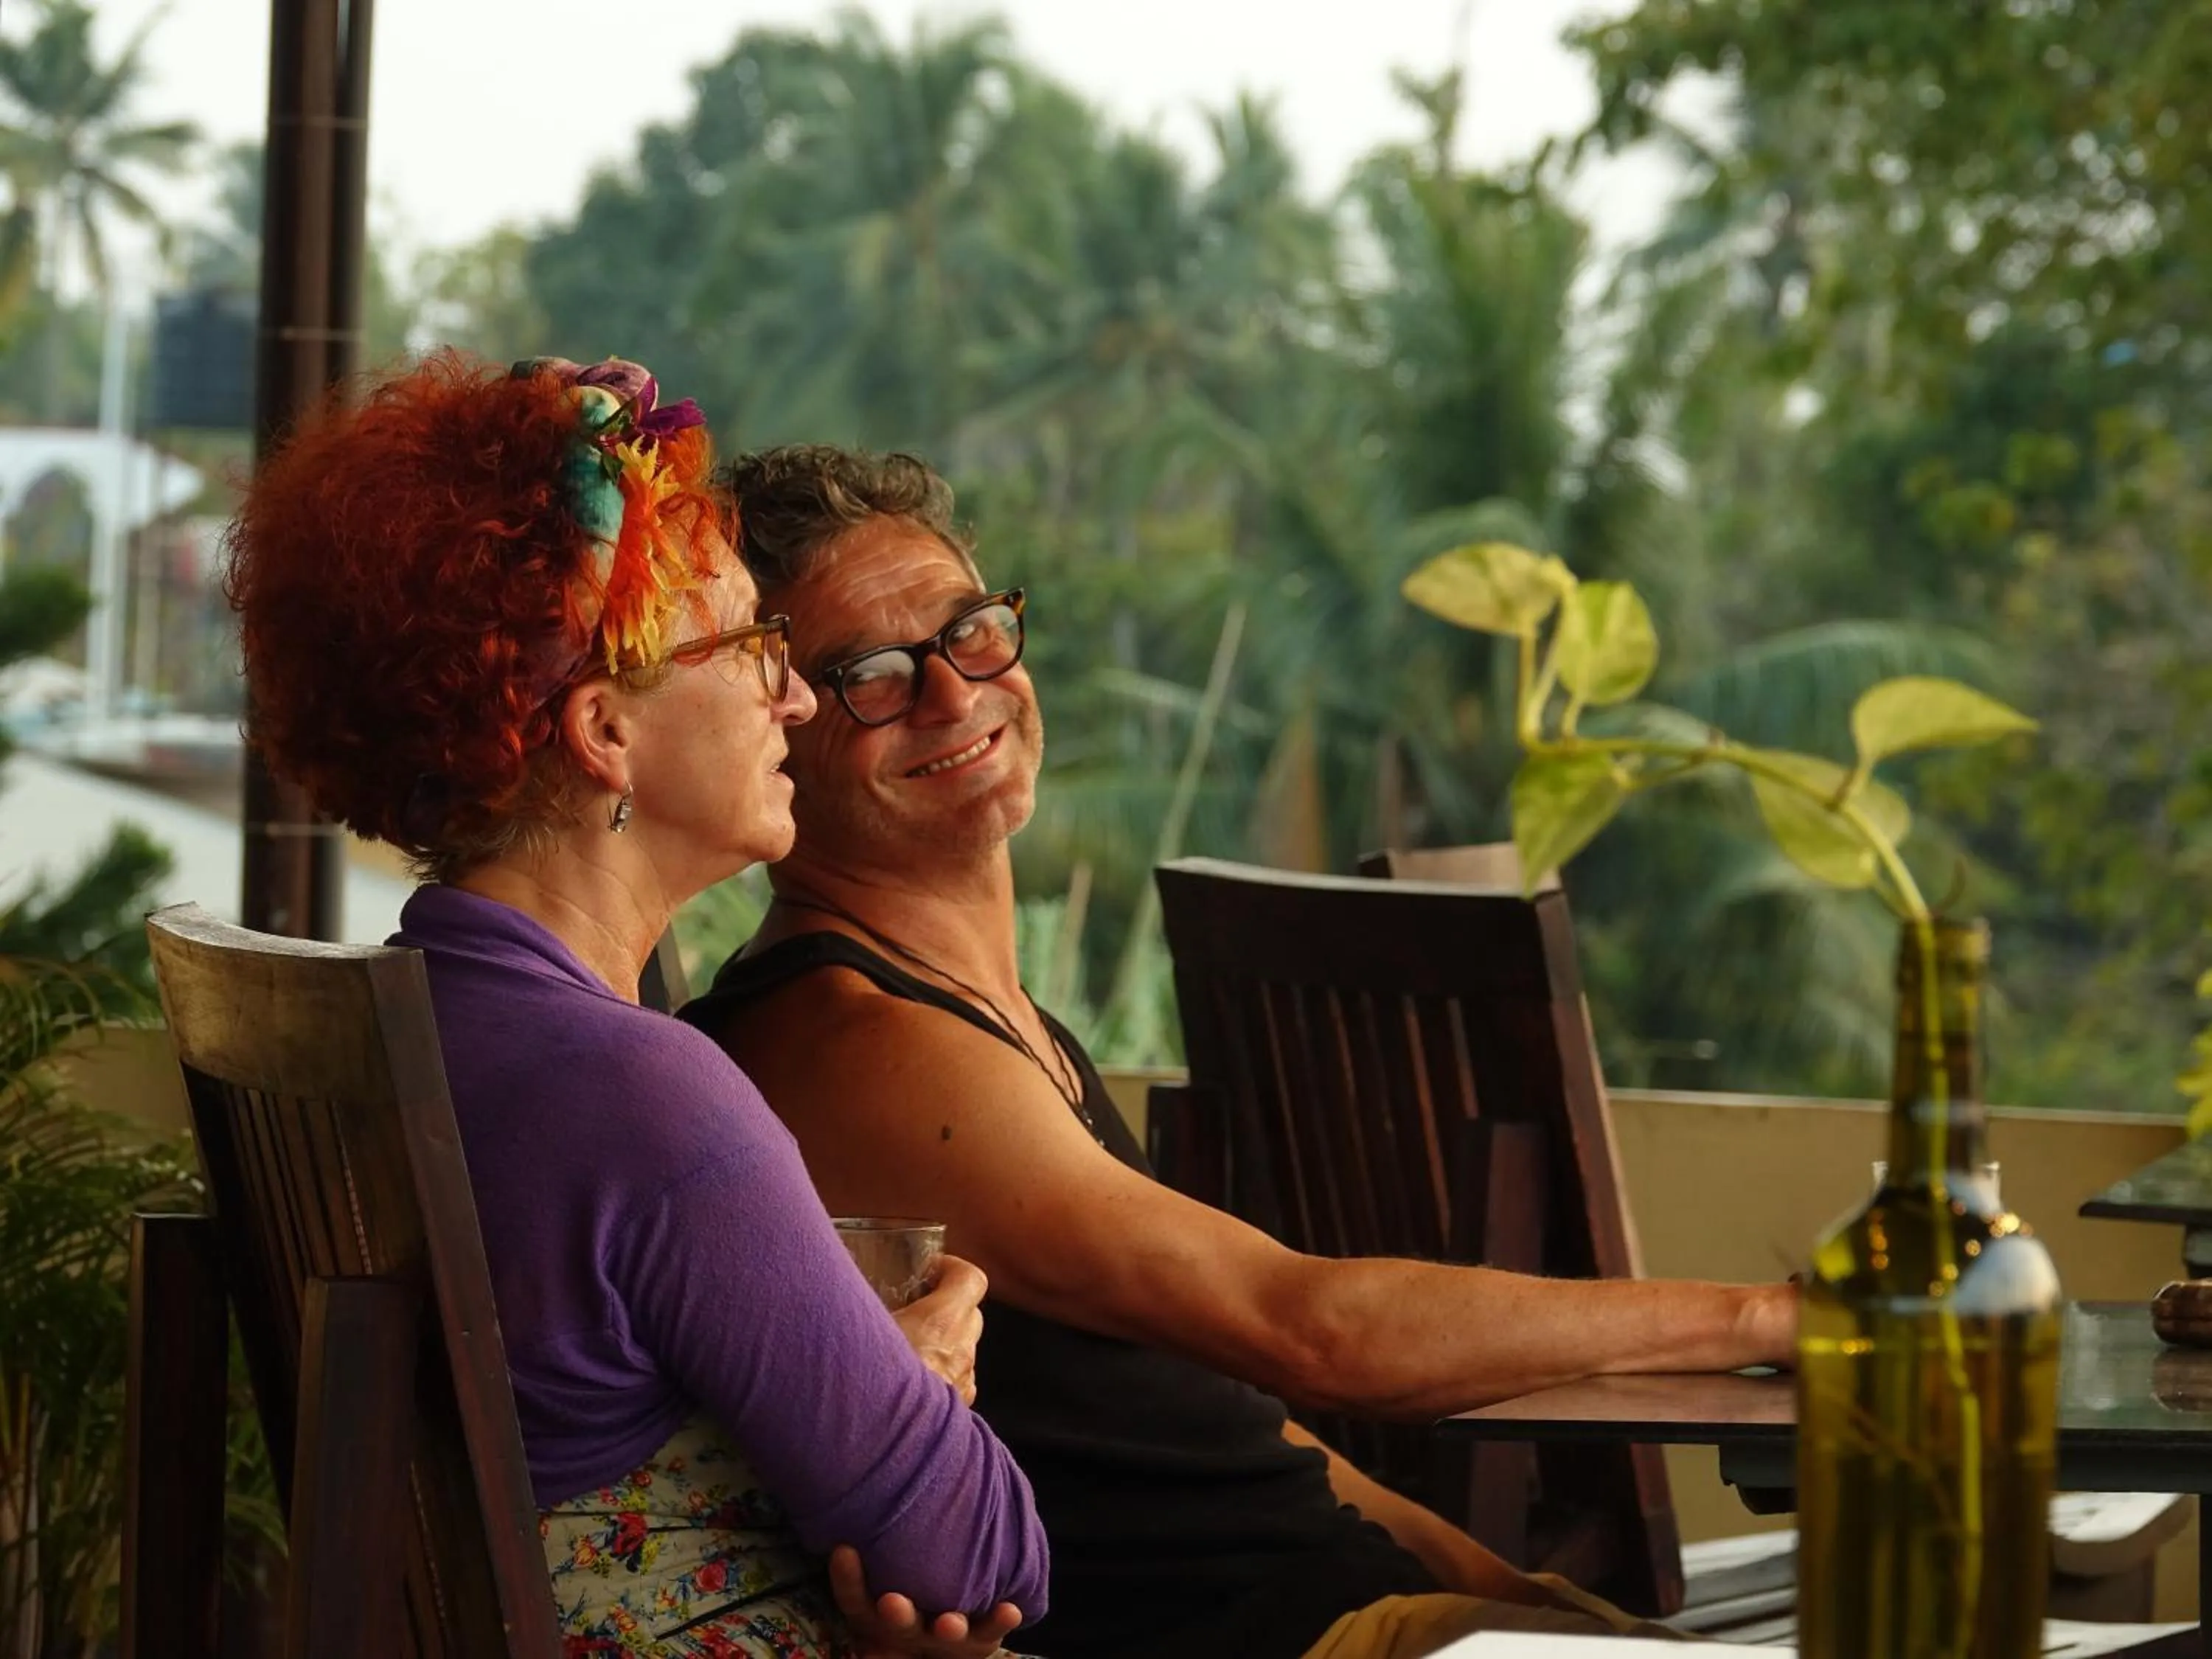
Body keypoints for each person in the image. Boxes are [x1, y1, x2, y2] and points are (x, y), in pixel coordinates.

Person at [678, 444, 1801, 1659]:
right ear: (781, 718)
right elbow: (1309, 1330)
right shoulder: (855, 1042)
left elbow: (1247, 1428)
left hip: (1360, 1605)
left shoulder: (991, 1015)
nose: (954, 696)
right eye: (875, 676)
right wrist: (1772, 1318)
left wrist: (1531, 1598)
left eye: (968, 633)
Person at [223, 363, 1048, 1659]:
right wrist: (919, 1375)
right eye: (751, 645)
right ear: (605, 730)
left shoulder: (418, 1028)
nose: (793, 695)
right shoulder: (641, 1097)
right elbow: (983, 1558)